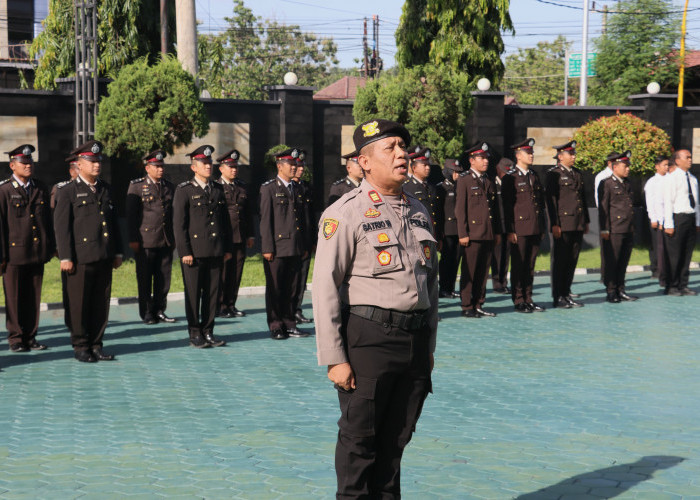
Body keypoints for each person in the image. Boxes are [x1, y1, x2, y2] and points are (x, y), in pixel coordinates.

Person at [312, 118, 437, 498]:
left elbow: (429, 286)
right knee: (359, 445)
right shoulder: (344, 212)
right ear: (364, 161)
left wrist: (428, 350)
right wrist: (335, 358)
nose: (402, 154)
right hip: (369, 342)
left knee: (395, 446)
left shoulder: (418, 210)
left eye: (403, 146)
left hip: (413, 343)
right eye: (390, 148)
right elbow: (325, 287)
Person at [54, 140, 123, 363]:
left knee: (100, 303)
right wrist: (65, 256)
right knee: (79, 303)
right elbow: (62, 227)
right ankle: (81, 345)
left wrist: (118, 252)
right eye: (91, 161)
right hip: (80, 258)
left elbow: (112, 224)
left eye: (98, 161)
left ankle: (96, 344)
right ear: (79, 164)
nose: (96, 165)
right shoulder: (67, 191)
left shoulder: (105, 188)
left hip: (103, 255)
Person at [173, 145, 232, 348]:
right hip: (194, 253)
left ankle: (208, 331)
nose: (208, 167)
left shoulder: (217, 189)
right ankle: (195, 332)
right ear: (194, 167)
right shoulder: (184, 191)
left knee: (212, 294)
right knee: (193, 292)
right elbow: (179, 225)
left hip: (215, 250)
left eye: (210, 163)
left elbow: (225, 222)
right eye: (204, 164)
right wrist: (185, 251)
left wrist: (227, 249)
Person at [0, 144, 55, 352]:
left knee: (33, 296)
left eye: (30, 162)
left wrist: (49, 247)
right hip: (14, 255)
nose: (28, 165)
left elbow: (46, 222)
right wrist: (2, 256)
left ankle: (31, 336)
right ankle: (16, 338)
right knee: (14, 298)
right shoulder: (4, 190)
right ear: (13, 165)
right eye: (24, 163)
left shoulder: (40, 187)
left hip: (36, 252)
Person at [259, 148, 311, 340]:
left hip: (296, 247)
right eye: (291, 164)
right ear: (279, 166)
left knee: (292, 287)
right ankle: (275, 325)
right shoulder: (269, 189)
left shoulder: (297, 188)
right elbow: (266, 221)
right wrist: (267, 248)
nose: (295, 167)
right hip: (278, 248)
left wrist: (304, 246)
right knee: (275, 288)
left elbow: (302, 220)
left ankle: (290, 323)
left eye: (295, 164)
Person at [125, 149, 176, 325]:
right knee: (145, 278)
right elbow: (131, 216)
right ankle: (147, 312)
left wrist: (173, 238)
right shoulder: (137, 186)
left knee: (164, 279)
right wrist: (133, 238)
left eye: (162, 166)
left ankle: (160, 310)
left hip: (165, 240)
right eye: (156, 166)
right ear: (148, 168)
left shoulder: (169, 186)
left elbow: (172, 214)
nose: (160, 169)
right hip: (145, 241)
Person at [455, 142, 502, 318]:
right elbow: (460, 209)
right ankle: (467, 305)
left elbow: (494, 210)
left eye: (486, 158)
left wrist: (497, 232)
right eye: (481, 158)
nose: (485, 161)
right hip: (472, 234)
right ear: (471, 160)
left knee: (483, 272)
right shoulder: (464, 180)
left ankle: (479, 303)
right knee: (470, 271)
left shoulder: (488, 180)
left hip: (488, 233)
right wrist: (463, 233)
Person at [502, 138, 547, 313]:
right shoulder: (510, 178)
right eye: (528, 153)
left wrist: (541, 226)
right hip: (519, 229)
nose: (531, 155)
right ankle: (518, 299)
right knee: (519, 265)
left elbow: (539, 204)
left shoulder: (534, 175)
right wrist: (510, 229)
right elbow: (507, 206)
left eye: (532, 152)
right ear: (518, 155)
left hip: (534, 227)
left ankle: (528, 298)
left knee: (530, 265)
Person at [545, 140, 589, 308]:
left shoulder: (577, 174)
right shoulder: (553, 174)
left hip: (577, 222)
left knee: (572, 260)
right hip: (563, 224)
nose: (573, 156)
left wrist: (586, 220)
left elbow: (582, 199)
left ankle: (566, 293)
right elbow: (551, 201)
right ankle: (558, 296)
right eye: (570, 154)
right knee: (560, 261)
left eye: (574, 154)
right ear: (560, 156)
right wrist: (554, 224)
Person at [216, 149, 255, 318]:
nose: (234, 169)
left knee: (236, 273)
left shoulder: (242, 186)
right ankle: (220, 305)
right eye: (230, 166)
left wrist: (251, 235)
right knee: (223, 274)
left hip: (240, 236)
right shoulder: (216, 187)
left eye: (235, 167)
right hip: (224, 237)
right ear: (221, 168)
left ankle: (231, 304)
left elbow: (247, 213)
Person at [599, 151, 637, 303]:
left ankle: (621, 289)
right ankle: (611, 290)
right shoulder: (606, 183)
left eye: (628, 166)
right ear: (615, 167)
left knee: (623, 261)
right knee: (612, 261)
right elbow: (604, 209)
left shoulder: (627, 183)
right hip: (614, 228)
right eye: (625, 166)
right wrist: (604, 228)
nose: (628, 169)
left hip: (628, 228)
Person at [662, 149, 699, 296]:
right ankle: (671, 285)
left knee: (686, 254)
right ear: (677, 160)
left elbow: (696, 203)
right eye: (687, 157)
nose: (690, 160)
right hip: (677, 218)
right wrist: (669, 225)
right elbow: (668, 202)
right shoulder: (671, 178)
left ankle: (683, 284)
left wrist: (697, 221)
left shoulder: (693, 179)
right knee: (674, 255)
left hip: (690, 218)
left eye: (691, 157)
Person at [291, 151, 315, 324]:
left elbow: (310, 217)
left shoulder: (306, 187)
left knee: (302, 278)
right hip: (292, 241)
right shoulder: (287, 187)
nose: (300, 170)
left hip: (306, 240)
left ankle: (297, 309)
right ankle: (289, 310)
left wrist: (313, 240)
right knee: (291, 279)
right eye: (298, 167)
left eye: (302, 167)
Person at [436, 158, 463, 298]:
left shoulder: (460, 187)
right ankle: (443, 288)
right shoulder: (441, 188)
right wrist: (439, 233)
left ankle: (451, 287)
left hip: (459, 229)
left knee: (456, 260)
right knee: (446, 260)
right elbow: (439, 213)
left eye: (459, 172)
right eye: (455, 172)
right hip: (447, 230)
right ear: (447, 172)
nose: (457, 175)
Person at [643, 155, 669, 287]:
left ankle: (665, 268)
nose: (666, 167)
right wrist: (653, 218)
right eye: (664, 165)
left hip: (668, 218)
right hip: (656, 218)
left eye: (667, 165)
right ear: (657, 166)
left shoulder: (670, 179)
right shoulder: (652, 182)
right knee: (655, 245)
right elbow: (650, 202)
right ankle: (656, 269)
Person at [403, 146, 439, 234]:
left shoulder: (431, 186)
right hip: (418, 233)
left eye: (428, 165)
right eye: (424, 165)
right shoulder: (407, 187)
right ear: (414, 168)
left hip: (433, 232)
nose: (428, 168)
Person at [490, 158, 512, 294]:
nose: (506, 175)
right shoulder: (492, 184)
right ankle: (497, 283)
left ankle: (504, 282)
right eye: (504, 172)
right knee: (497, 256)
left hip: (508, 226)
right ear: (498, 169)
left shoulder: (510, 184)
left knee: (506, 255)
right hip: (497, 226)